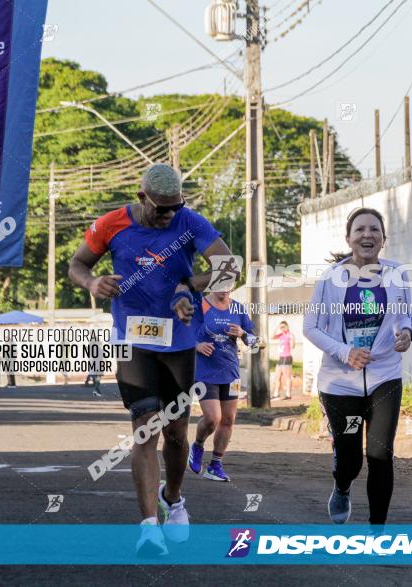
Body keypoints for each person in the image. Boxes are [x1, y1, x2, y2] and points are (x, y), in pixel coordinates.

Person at [68, 163, 239, 556]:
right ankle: (148, 529)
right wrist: (92, 282)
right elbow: (77, 265)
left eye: (174, 208)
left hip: (179, 342)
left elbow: (230, 270)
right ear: (142, 196)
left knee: (176, 432)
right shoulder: (111, 224)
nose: (168, 216)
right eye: (161, 209)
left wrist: (189, 287)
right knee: (145, 427)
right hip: (132, 338)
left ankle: (173, 497)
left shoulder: (190, 223)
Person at [304, 207, 412, 525]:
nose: (367, 235)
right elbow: (310, 327)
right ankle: (341, 485)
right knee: (351, 458)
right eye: (360, 230)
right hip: (340, 381)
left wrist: (406, 333)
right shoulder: (330, 279)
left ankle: (377, 530)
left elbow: (405, 314)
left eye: (374, 230)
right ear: (349, 238)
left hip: (385, 374)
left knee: (380, 454)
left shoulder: (397, 273)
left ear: (383, 238)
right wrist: (344, 352)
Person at [187, 287, 255, 482]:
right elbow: (180, 335)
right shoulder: (199, 305)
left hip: (231, 373)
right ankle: (198, 445)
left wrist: (243, 333)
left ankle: (215, 465)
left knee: (228, 420)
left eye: (228, 283)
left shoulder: (238, 309)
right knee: (212, 417)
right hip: (204, 372)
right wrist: (197, 345)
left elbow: (257, 342)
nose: (224, 288)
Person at [272, 321, 295, 400]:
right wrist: (277, 327)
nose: (282, 328)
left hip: (287, 357)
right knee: (277, 376)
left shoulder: (290, 335)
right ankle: (276, 394)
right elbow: (272, 337)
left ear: (287, 326)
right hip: (281, 357)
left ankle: (288, 394)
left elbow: (293, 346)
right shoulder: (281, 335)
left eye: (283, 327)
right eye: (281, 327)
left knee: (287, 377)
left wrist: (292, 339)